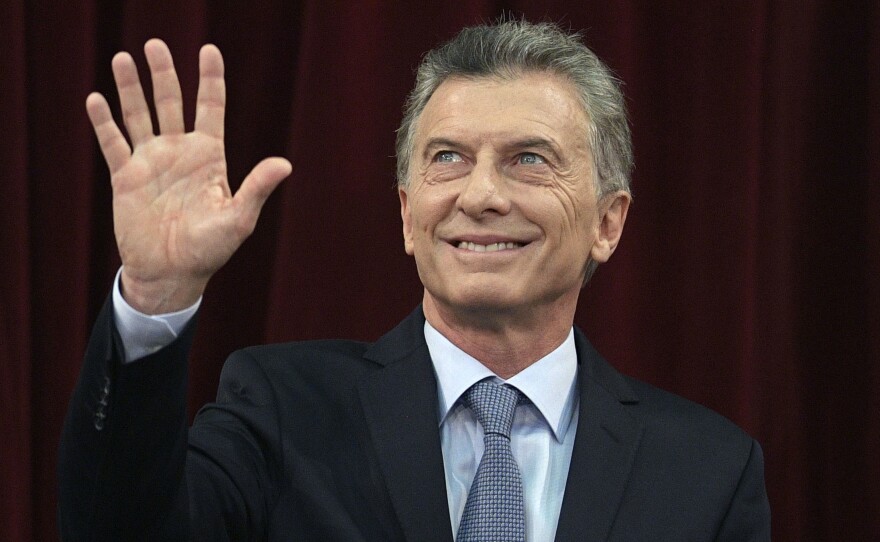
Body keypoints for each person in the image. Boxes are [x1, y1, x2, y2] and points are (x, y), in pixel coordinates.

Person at [58, 20, 771, 541]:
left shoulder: (706, 471)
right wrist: (155, 298)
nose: (482, 194)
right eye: (449, 158)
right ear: (408, 215)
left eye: (529, 159)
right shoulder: (281, 411)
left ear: (608, 223)